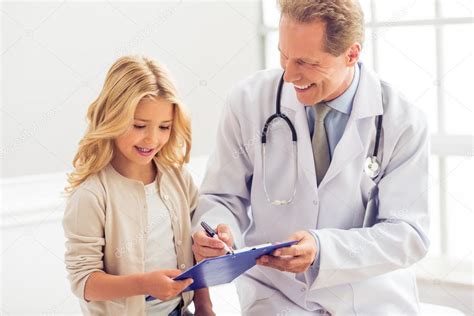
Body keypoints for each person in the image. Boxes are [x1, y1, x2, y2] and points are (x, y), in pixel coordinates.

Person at [191, 0, 430, 314]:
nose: (289, 75)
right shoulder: (248, 101)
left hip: (369, 296)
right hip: (276, 294)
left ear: (352, 54)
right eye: (284, 55)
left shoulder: (402, 121)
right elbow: (223, 195)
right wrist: (218, 231)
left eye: (305, 62)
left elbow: (408, 234)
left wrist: (323, 250)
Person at [63, 56, 214, 315]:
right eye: (139, 125)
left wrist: (204, 305)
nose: (152, 139)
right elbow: (84, 282)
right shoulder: (92, 195)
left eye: (164, 127)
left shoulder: (178, 179)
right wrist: (143, 284)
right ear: (112, 117)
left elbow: (195, 252)